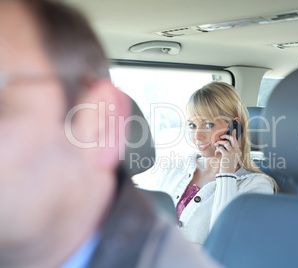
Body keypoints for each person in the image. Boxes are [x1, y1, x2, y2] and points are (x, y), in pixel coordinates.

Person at [0, 0, 220, 267]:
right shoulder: (177, 171)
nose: (198, 135)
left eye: (3, 101)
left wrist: (229, 171)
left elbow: (223, 234)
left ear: (102, 126)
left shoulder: (252, 186)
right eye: (193, 124)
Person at [157, 82, 277, 246]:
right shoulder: (174, 168)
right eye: (192, 125)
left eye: (208, 124)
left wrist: (226, 173)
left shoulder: (256, 186)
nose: (197, 136)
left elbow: (225, 241)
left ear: (234, 127)